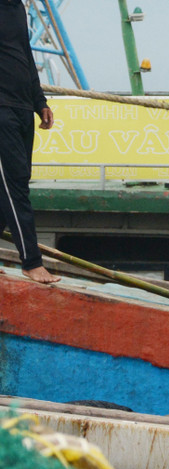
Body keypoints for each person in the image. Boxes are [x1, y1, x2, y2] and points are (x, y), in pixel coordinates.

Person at [0, 0, 60, 284]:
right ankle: (31, 262)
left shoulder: (16, 7)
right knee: (15, 187)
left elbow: (25, 53)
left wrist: (40, 102)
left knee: (14, 186)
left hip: (23, 108)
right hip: (1, 110)